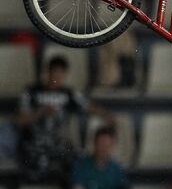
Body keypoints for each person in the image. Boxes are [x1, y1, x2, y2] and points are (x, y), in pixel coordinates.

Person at [16, 56, 114, 185]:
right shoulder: (31, 91)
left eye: (61, 75)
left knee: (77, 162)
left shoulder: (68, 93)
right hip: (34, 143)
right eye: (55, 73)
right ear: (48, 72)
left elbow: (88, 106)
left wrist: (108, 116)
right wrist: (40, 113)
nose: (57, 78)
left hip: (58, 142)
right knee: (35, 170)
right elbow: (20, 120)